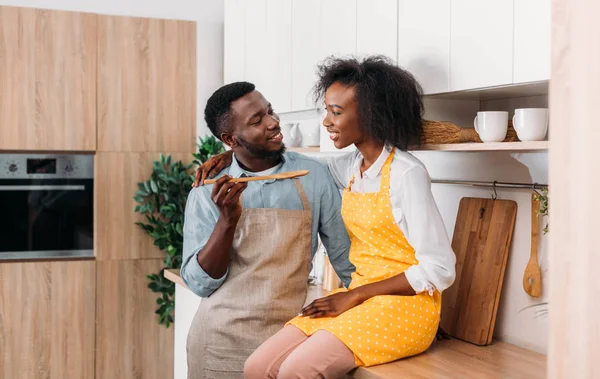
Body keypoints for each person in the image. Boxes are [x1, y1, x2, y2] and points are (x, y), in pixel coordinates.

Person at [193, 55, 456, 378]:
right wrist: (232, 153)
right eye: (327, 111)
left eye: (336, 112)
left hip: (402, 304)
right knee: (257, 367)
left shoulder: (407, 173)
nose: (326, 122)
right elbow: (291, 161)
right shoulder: (348, 168)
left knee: (295, 370)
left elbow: (440, 269)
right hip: (362, 299)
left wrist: (354, 295)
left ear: (370, 114)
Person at [180, 81, 355, 378]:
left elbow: (347, 258)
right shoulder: (206, 190)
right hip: (219, 344)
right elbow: (199, 283)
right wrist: (226, 222)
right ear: (229, 139)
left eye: (269, 111)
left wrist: (392, 307)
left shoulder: (313, 175)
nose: (274, 123)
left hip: (288, 341)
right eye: (257, 120)